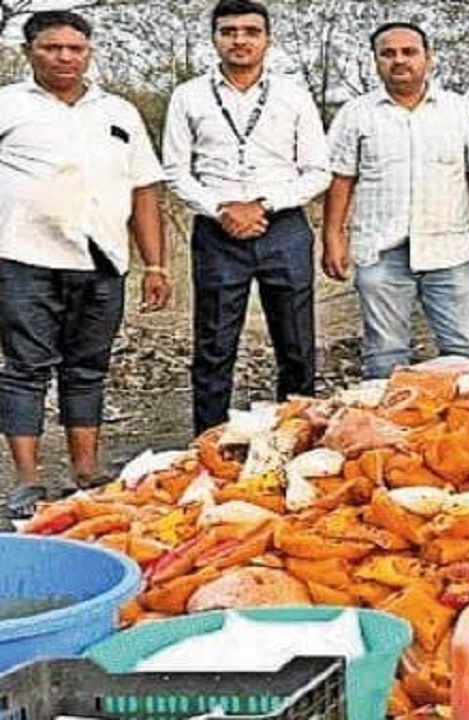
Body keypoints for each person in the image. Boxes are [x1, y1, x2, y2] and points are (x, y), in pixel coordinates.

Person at [0, 10, 171, 517]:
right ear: (30, 51)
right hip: (23, 257)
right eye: (52, 48)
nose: (65, 57)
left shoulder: (117, 111)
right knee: (25, 368)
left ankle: (87, 472)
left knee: (88, 368)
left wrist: (155, 264)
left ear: (89, 51)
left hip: (102, 259)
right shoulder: (7, 105)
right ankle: (27, 481)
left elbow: (144, 187)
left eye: (75, 48)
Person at [163, 0, 330, 434]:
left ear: (267, 39)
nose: (240, 39)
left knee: (295, 344)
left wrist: (263, 205)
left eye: (250, 31)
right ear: (215, 38)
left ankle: (297, 437)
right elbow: (176, 171)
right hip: (218, 230)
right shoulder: (189, 95)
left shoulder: (293, 95)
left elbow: (317, 171)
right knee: (215, 345)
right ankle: (209, 443)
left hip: (283, 227)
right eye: (229, 31)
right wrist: (221, 208)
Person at [322, 23, 469, 379]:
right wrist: (333, 237)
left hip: (451, 249)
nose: (399, 60)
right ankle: (383, 433)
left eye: (409, 52)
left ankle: (457, 432)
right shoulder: (356, 113)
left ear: (428, 57)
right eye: (388, 53)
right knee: (385, 354)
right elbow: (341, 177)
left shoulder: (460, 111)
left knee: (464, 354)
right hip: (381, 249)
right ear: (375, 61)